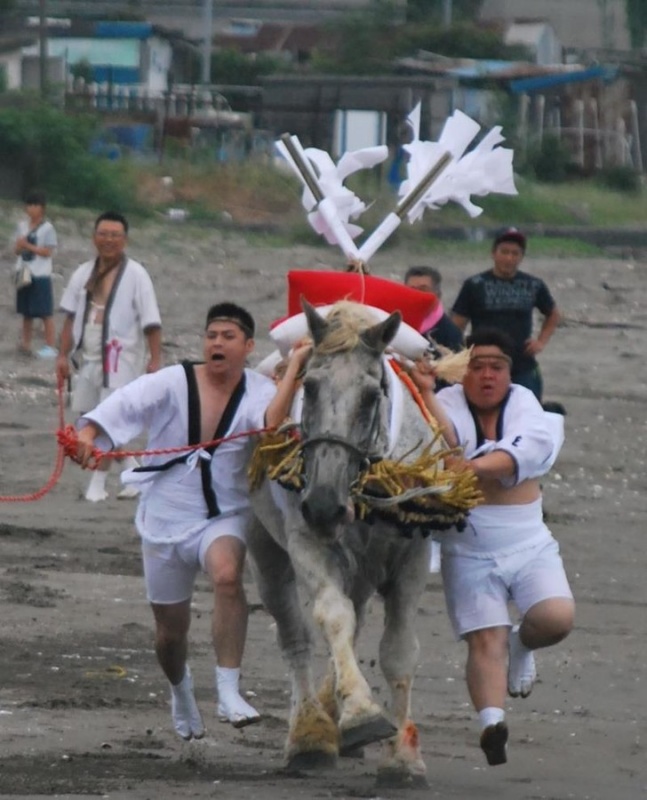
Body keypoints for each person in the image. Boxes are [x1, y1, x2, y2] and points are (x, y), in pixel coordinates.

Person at [73, 302, 309, 739]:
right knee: (169, 633)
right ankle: (181, 692)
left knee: (227, 575)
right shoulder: (172, 381)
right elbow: (122, 408)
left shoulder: (259, 390)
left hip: (223, 514)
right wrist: (88, 436)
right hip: (163, 517)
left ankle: (228, 690)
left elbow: (271, 424)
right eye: (211, 335)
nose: (217, 343)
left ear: (248, 346)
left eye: (228, 336)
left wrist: (294, 365)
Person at [427, 327, 574, 767]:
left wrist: (467, 467)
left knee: (556, 619)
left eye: (497, 366)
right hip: (466, 545)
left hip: (527, 538)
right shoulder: (445, 403)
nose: (487, 375)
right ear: (461, 370)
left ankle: (523, 645)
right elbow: (440, 443)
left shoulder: (525, 402)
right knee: (485, 639)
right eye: (477, 365)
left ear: (510, 372)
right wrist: (423, 391)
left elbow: (518, 456)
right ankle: (492, 724)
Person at [55, 211, 163, 502]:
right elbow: (69, 318)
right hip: (88, 356)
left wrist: (155, 360)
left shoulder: (137, 275)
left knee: (107, 420)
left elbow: (152, 321)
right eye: (103, 234)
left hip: (122, 357)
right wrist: (62, 356)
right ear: (94, 237)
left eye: (115, 235)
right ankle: (136, 475)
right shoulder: (83, 273)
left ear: (124, 240)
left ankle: (97, 484)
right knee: (87, 418)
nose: (108, 240)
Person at [450, 227, 560, 402]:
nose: (509, 258)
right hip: (483, 365)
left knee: (527, 414)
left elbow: (553, 314)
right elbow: (457, 324)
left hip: (522, 365)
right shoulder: (474, 285)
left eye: (515, 253)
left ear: (521, 257)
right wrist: (458, 355)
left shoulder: (533, 284)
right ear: (494, 253)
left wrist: (540, 341)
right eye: (504, 252)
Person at [13, 190, 58, 358]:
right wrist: (20, 246)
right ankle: (26, 343)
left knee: (45, 312)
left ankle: (50, 346)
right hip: (24, 272)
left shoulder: (48, 229)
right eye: (29, 205)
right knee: (26, 311)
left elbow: (48, 251)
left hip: (40, 274)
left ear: (42, 208)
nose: (31, 209)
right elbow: (17, 250)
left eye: (35, 205)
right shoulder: (22, 226)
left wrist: (28, 246)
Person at [404, 265, 464, 353]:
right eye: (411, 290)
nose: (416, 295)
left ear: (438, 294)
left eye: (423, 290)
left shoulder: (450, 333)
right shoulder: (396, 323)